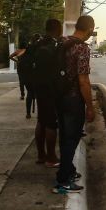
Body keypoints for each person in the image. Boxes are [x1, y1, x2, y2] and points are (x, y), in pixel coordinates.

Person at [53, 15, 96, 194]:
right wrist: (90, 106)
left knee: (64, 136)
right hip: (73, 99)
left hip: (59, 96)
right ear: (89, 29)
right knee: (72, 137)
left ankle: (68, 170)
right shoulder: (82, 48)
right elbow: (84, 81)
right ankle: (63, 181)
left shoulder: (63, 42)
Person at [33, 20, 62, 167]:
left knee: (41, 121)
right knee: (51, 123)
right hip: (50, 88)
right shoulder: (54, 45)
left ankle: (40, 155)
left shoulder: (38, 43)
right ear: (57, 29)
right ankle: (51, 158)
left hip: (38, 87)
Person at [19, 33, 41, 119]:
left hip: (27, 75)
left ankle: (28, 113)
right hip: (36, 75)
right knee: (38, 94)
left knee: (30, 93)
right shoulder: (39, 48)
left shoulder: (28, 48)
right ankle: (39, 114)